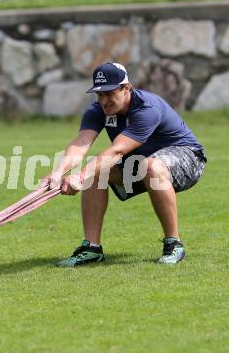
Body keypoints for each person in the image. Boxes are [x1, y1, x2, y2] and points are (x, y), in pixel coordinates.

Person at [45, 62, 207, 266]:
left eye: (109, 93)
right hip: (140, 164)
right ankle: (92, 248)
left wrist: (78, 176)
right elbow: (80, 145)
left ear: (127, 88)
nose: (104, 100)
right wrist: (58, 172)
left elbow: (117, 150)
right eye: (99, 95)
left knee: (150, 166)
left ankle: (174, 244)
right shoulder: (97, 110)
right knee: (97, 173)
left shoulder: (147, 108)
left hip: (188, 158)